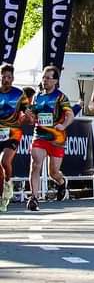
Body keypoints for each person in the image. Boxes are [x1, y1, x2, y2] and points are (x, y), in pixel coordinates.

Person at [26, 66, 74, 211]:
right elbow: (33, 117)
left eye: (48, 78)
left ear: (55, 80)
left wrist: (64, 125)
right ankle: (34, 197)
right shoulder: (37, 97)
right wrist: (29, 115)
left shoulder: (60, 97)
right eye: (43, 77)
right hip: (39, 135)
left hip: (56, 138)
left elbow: (70, 115)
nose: (45, 80)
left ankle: (61, 182)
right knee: (35, 165)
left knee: (53, 172)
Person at [0, 63, 29, 212]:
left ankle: (8, 183)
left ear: (13, 78)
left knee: (5, 161)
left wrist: (25, 116)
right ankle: (1, 197)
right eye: (3, 76)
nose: (6, 79)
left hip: (13, 132)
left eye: (9, 77)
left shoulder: (19, 94)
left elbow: (26, 111)